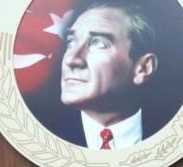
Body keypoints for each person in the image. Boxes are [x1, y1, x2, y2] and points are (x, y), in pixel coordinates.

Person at [52, 1, 159, 149]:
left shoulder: (172, 132)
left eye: (99, 43)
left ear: (143, 68)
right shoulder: (42, 136)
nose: (72, 60)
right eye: (71, 42)